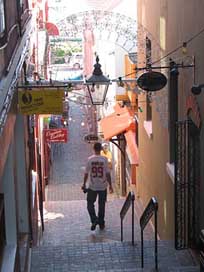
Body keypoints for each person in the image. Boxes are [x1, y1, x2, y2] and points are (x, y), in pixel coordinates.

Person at [82, 142, 113, 231]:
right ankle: (101, 223)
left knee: (90, 203)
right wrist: (110, 185)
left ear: (93, 149)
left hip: (92, 186)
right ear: (101, 149)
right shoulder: (104, 159)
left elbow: (86, 173)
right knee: (102, 205)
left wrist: (84, 184)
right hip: (103, 186)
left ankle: (94, 219)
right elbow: (107, 173)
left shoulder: (90, 160)